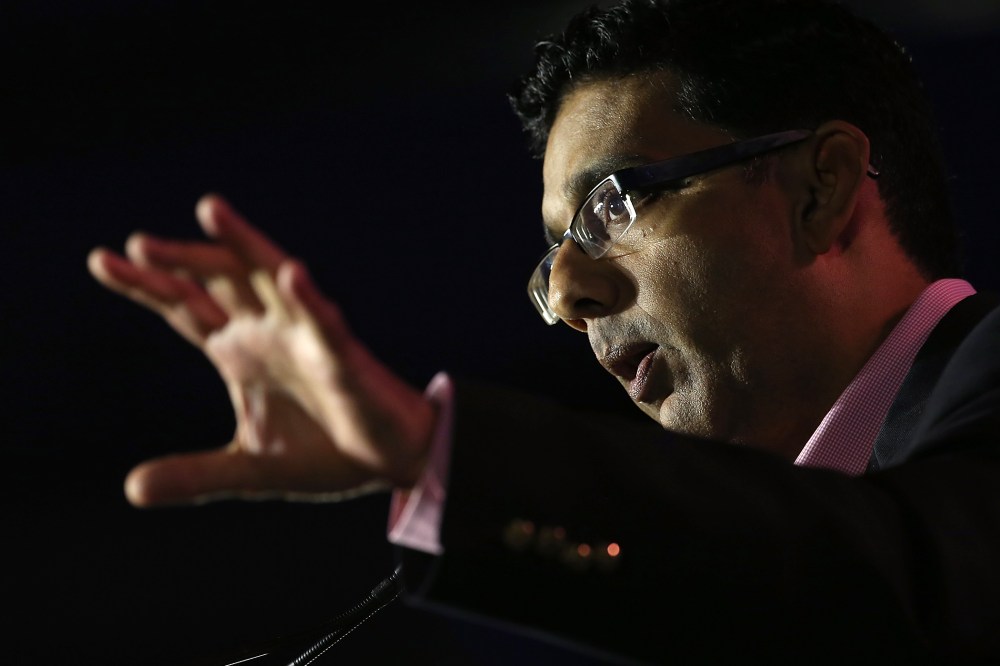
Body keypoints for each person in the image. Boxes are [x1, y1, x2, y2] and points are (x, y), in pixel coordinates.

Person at [86, 0, 1000, 663]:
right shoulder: (749, 589)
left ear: (821, 185)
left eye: (615, 205)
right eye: (553, 249)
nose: (566, 294)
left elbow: (912, 584)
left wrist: (439, 456)